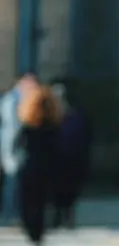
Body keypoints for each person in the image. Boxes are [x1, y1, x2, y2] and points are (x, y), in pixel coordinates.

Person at [17, 82, 61, 245]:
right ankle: (39, 231)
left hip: (30, 166)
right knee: (42, 201)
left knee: (28, 200)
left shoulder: (29, 127)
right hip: (48, 167)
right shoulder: (54, 126)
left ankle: (31, 230)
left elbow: (19, 145)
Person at [48, 79, 91, 229]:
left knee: (70, 190)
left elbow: (84, 137)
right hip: (54, 158)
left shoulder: (76, 115)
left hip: (72, 158)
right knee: (55, 190)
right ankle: (57, 216)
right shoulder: (48, 115)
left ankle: (67, 216)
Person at [0, 73, 38, 224]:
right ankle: (11, 215)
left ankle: (15, 214)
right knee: (13, 182)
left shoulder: (20, 99)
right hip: (12, 148)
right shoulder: (13, 100)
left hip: (17, 147)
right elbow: (14, 126)